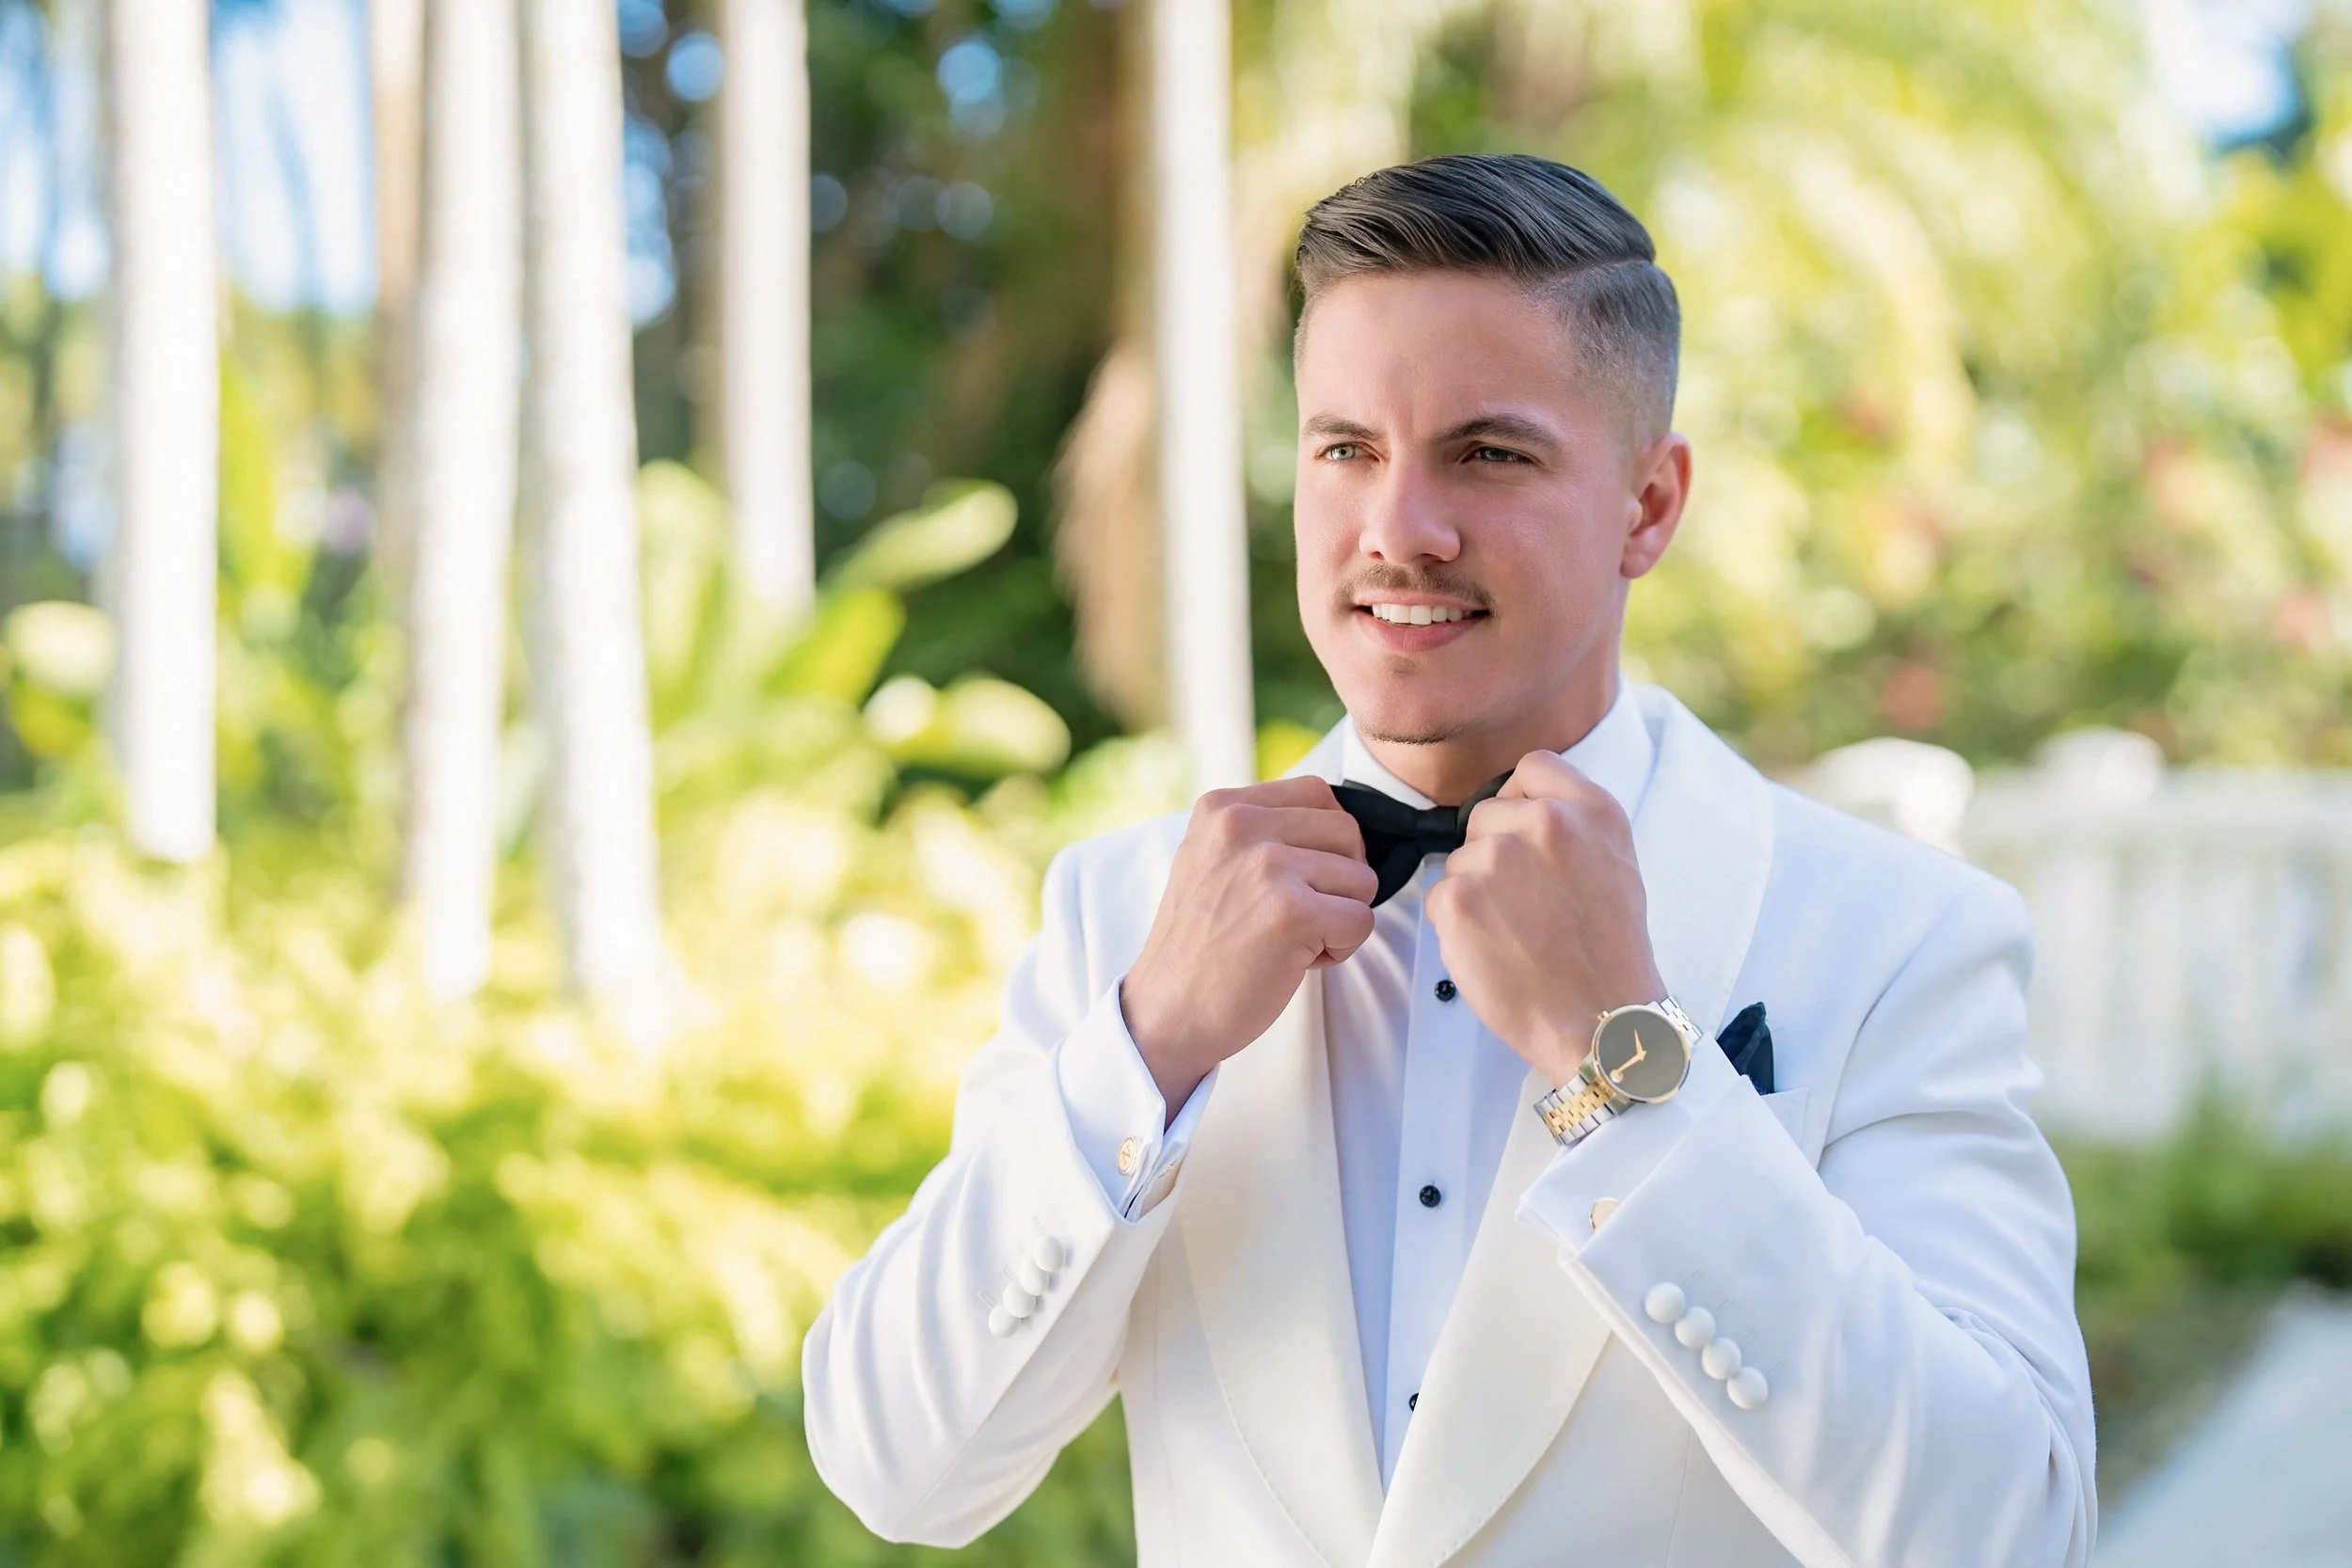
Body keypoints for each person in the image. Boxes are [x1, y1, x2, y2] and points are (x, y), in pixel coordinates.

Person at [802, 153, 2097, 1567]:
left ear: (1648, 506)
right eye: (1345, 446)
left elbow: (2012, 1529)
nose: (1397, 530)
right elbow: (895, 1467)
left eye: (1487, 452)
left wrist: (1628, 1064)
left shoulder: (1904, 935)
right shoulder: (1125, 915)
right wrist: (1152, 1045)